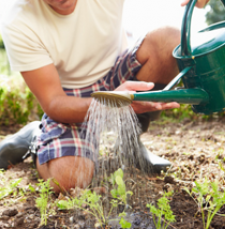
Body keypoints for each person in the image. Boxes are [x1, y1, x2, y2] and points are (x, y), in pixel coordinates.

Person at [0, 0, 208, 193]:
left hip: (116, 71)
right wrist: (108, 103)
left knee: (168, 41)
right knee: (70, 179)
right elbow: (54, 101)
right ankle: (38, 138)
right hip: (70, 96)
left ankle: (130, 145)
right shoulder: (19, 19)